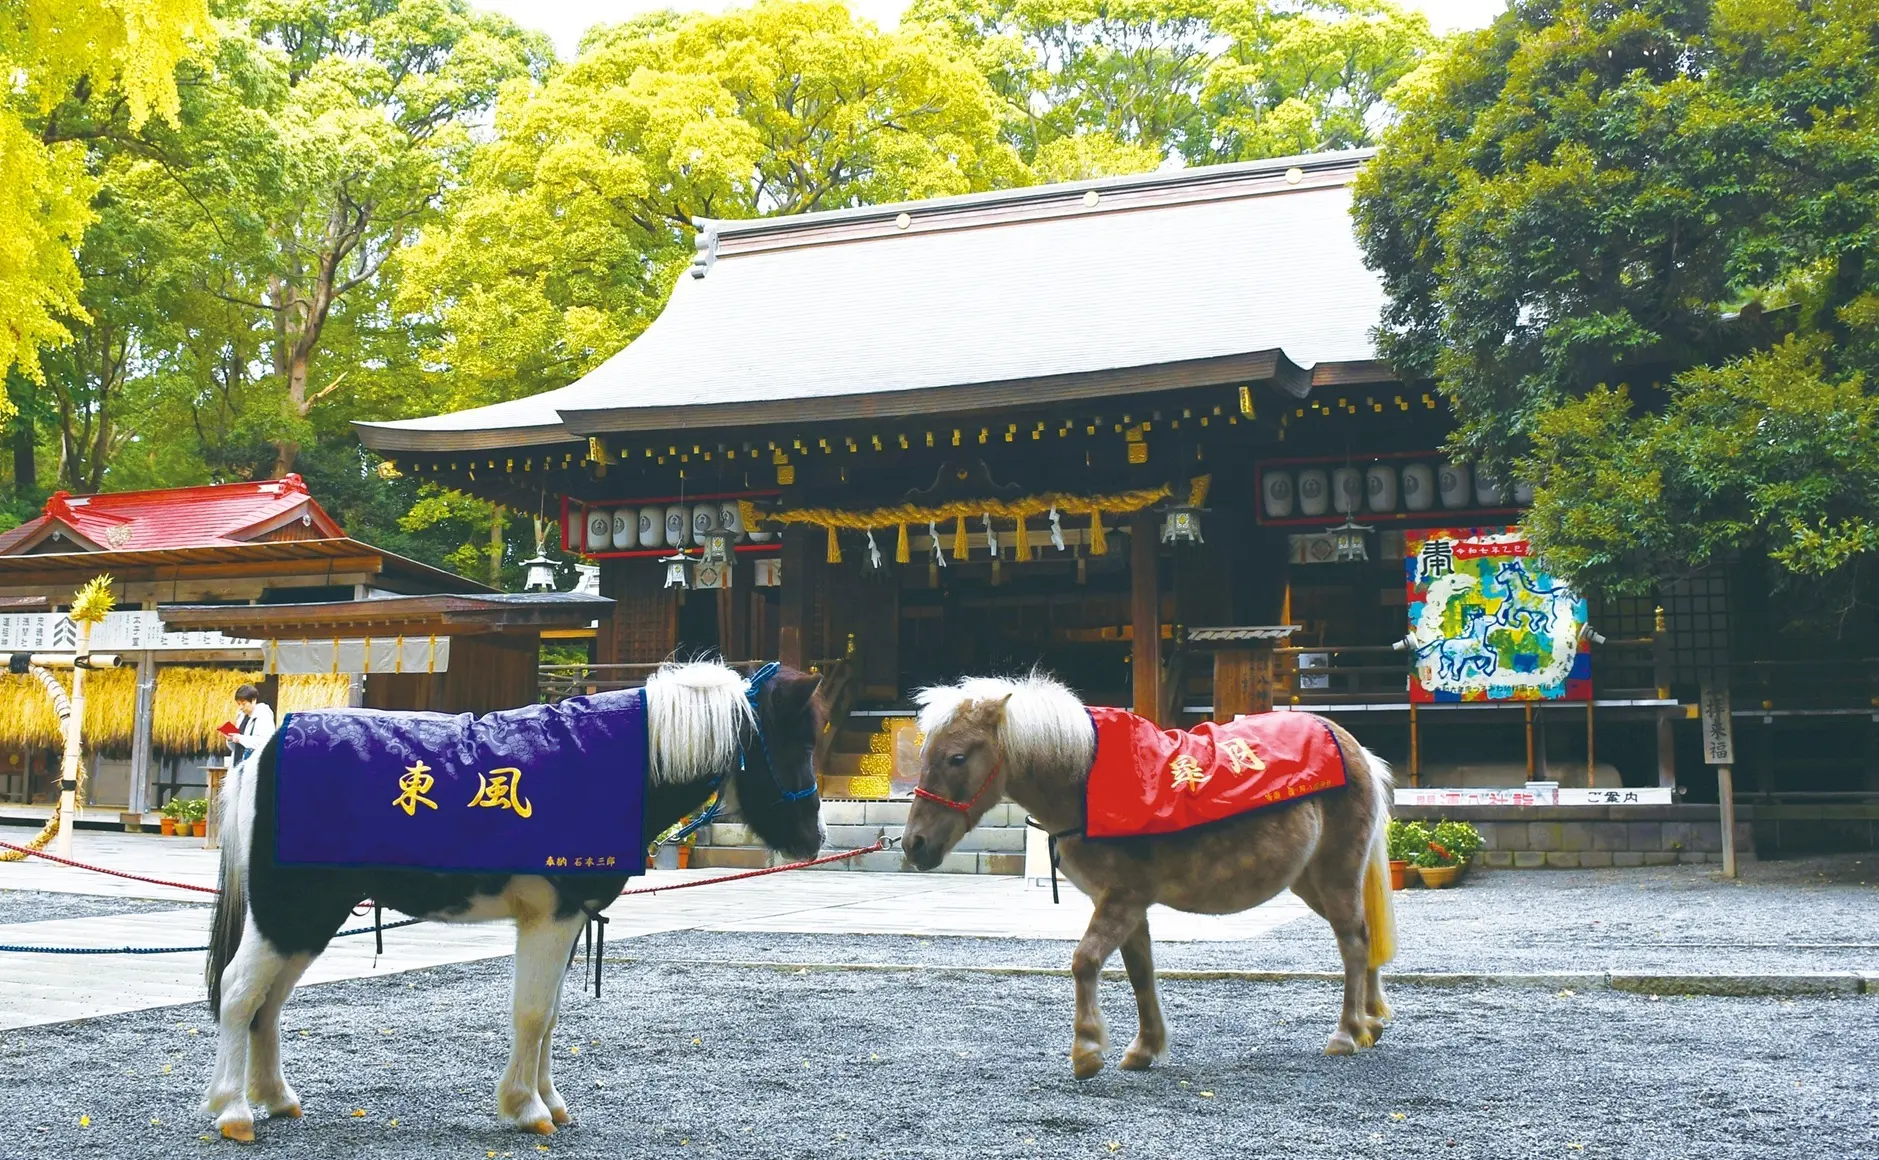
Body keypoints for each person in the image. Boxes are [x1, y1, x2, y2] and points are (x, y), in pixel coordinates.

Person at [228, 683, 276, 771]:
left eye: (243, 704)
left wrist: (240, 738)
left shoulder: (263, 715)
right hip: (237, 765)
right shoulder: (241, 717)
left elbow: (266, 742)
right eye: (238, 704)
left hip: (254, 767)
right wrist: (231, 739)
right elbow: (237, 747)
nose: (241, 707)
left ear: (253, 700)